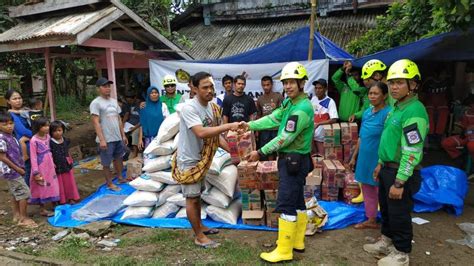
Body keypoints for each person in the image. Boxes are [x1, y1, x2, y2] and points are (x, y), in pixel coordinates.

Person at [239, 62, 314, 263]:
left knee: (286, 204)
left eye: (292, 82)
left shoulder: (302, 109)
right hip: (294, 160)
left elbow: (285, 138)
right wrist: (250, 125)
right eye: (285, 82)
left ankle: (284, 250)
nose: (288, 86)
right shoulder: (290, 103)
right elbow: (273, 119)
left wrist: (260, 152)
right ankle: (297, 242)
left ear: (301, 83)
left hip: (294, 160)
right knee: (297, 201)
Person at [364, 59, 428, 266]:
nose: (394, 87)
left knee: (399, 213)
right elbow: (389, 140)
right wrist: (380, 163)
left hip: (401, 172)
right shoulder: (397, 109)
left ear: (414, 84)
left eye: (400, 82)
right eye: (392, 83)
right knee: (387, 210)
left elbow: (412, 150)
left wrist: (400, 182)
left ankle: (401, 253)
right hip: (388, 168)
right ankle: (386, 242)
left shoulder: (414, 111)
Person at [171, 72, 240, 248]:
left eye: (211, 86)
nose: (210, 90)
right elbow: (201, 132)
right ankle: (198, 236)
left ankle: (200, 226)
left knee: (198, 195)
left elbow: (216, 136)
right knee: (192, 199)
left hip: (203, 159)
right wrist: (229, 125)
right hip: (190, 161)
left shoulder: (212, 107)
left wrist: (234, 153)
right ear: (193, 88)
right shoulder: (189, 108)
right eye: (205, 87)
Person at [349, 82, 391, 229]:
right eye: (370, 93)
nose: (372, 96)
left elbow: (389, 139)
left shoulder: (388, 113)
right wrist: (354, 156)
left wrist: (382, 161)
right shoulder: (367, 112)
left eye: (376, 93)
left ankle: (388, 223)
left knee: (381, 190)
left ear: (385, 95)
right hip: (365, 157)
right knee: (367, 189)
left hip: (379, 157)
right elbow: (361, 137)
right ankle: (371, 219)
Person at [349, 59, 387, 204]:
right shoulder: (368, 109)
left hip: (378, 149)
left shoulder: (388, 110)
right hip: (366, 147)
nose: (365, 82)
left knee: (376, 178)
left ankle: (377, 203)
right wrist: (354, 156)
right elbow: (362, 134)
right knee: (363, 173)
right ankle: (365, 197)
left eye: (368, 79)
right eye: (370, 93)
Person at [90, 77, 129, 191]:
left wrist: (123, 135)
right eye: (104, 86)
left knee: (119, 158)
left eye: (108, 86)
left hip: (117, 136)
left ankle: (120, 177)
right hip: (106, 138)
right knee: (106, 162)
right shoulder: (96, 103)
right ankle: (109, 183)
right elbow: (96, 122)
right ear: (98, 89)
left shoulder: (113, 101)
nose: (107, 88)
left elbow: (119, 119)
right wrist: (102, 139)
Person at [0, 112, 38, 228]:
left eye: (11, 123)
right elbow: (2, 157)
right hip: (12, 171)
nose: (9, 126)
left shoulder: (11, 136)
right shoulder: (2, 138)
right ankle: (23, 218)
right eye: (5, 124)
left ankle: (16, 214)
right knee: (24, 193)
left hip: (14, 170)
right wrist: (17, 168)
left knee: (15, 193)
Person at [29, 117, 60, 216]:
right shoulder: (34, 140)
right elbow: (33, 157)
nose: (47, 128)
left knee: (53, 184)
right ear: (38, 127)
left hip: (50, 165)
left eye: (48, 125)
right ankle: (42, 209)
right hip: (40, 166)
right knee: (41, 186)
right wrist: (36, 172)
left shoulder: (48, 136)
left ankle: (54, 204)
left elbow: (50, 149)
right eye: (44, 126)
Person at [5, 89, 33, 186]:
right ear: (8, 101)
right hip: (24, 145)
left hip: (31, 141)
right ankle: (27, 193)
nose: (18, 100)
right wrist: (39, 134)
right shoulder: (10, 115)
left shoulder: (25, 111)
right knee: (27, 169)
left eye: (19, 98)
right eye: (14, 99)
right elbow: (22, 131)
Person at [49, 121, 80, 205]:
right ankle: (61, 199)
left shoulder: (66, 140)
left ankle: (71, 197)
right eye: (54, 131)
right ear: (51, 132)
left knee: (69, 182)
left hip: (66, 164)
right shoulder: (50, 143)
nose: (57, 133)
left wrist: (70, 160)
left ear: (63, 130)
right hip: (57, 166)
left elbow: (67, 151)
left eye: (59, 130)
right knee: (60, 183)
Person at [256, 75, 283, 159]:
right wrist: (257, 130)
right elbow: (259, 115)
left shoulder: (278, 96)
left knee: (277, 151)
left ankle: (277, 170)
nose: (266, 87)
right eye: (264, 85)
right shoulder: (260, 99)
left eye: (268, 85)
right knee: (265, 152)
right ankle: (267, 170)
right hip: (265, 129)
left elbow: (283, 113)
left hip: (276, 129)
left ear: (272, 85)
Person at [421, 69, 451, 143]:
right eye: (442, 74)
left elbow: (449, 95)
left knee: (443, 112)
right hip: (430, 103)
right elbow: (423, 94)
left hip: (442, 103)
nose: (444, 75)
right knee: (429, 113)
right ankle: (430, 135)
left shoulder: (447, 82)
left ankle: (439, 135)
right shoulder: (428, 82)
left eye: (445, 74)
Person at [441, 96, 474, 163]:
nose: (470, 108)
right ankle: (459, 158)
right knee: (446, 143)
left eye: (472, 106)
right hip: (465, 136)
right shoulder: (465, 113)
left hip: (472, 140)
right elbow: (464, 127)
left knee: (471, 146)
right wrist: (461, 126)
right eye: (469, 106)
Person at [311, 78, 338, 156]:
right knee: (313, 157)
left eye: (320, 88)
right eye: (316, 88)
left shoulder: (330, 101)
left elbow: (334, 119)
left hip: (321, 137)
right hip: (312, 136)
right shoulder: (313, 99)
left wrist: (319, 124)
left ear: (325, 89)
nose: (317, 90)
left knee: (321, 156)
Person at [138, 86, 170, 150]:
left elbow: (168, 121)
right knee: (149, 157)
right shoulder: (144, 107)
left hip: (161, 137)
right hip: (149, 138)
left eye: (156, 92)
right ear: (148, 95)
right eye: (152, 93)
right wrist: (140, 139)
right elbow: (142, 124)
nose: (154, 94)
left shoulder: (163, 106)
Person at [122, 92, 141, 159]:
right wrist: (123, 124)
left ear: (134, 98)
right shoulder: (130, 105)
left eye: (130, 100)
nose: (129, 102)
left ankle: (135, 153)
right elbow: (127, 115)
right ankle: (124, 152)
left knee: (134, 133)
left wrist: (134, 128)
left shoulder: (140, 105)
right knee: (121, 132)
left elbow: (142, 120)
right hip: (129, 124)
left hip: (138, 125)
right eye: (128, 100)